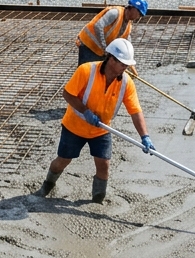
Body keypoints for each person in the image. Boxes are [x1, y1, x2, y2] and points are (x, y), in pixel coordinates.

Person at [36, 37, 154, 204]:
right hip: (74, 127)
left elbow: (135, 111)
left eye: (127, 64)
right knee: (63, 161)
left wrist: (145, 136)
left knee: (104, 164)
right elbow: (67, 94)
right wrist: (85, 112)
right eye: (122, 63)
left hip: (101, 130)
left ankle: (98, 200)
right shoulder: (86, 71)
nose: (125, 67)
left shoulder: (126, 83)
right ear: (111, 58)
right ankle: (47, 186)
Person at [75, 0, 148, 65]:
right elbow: (98, 26)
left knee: (97, 75)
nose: (139, 17)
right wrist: (105, 49)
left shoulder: (128, 25)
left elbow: (126, 42)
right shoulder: (115, 13)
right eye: (139, 13)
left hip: (100, 50)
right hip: (88, 45)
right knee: (86, 73)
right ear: (132, 8)